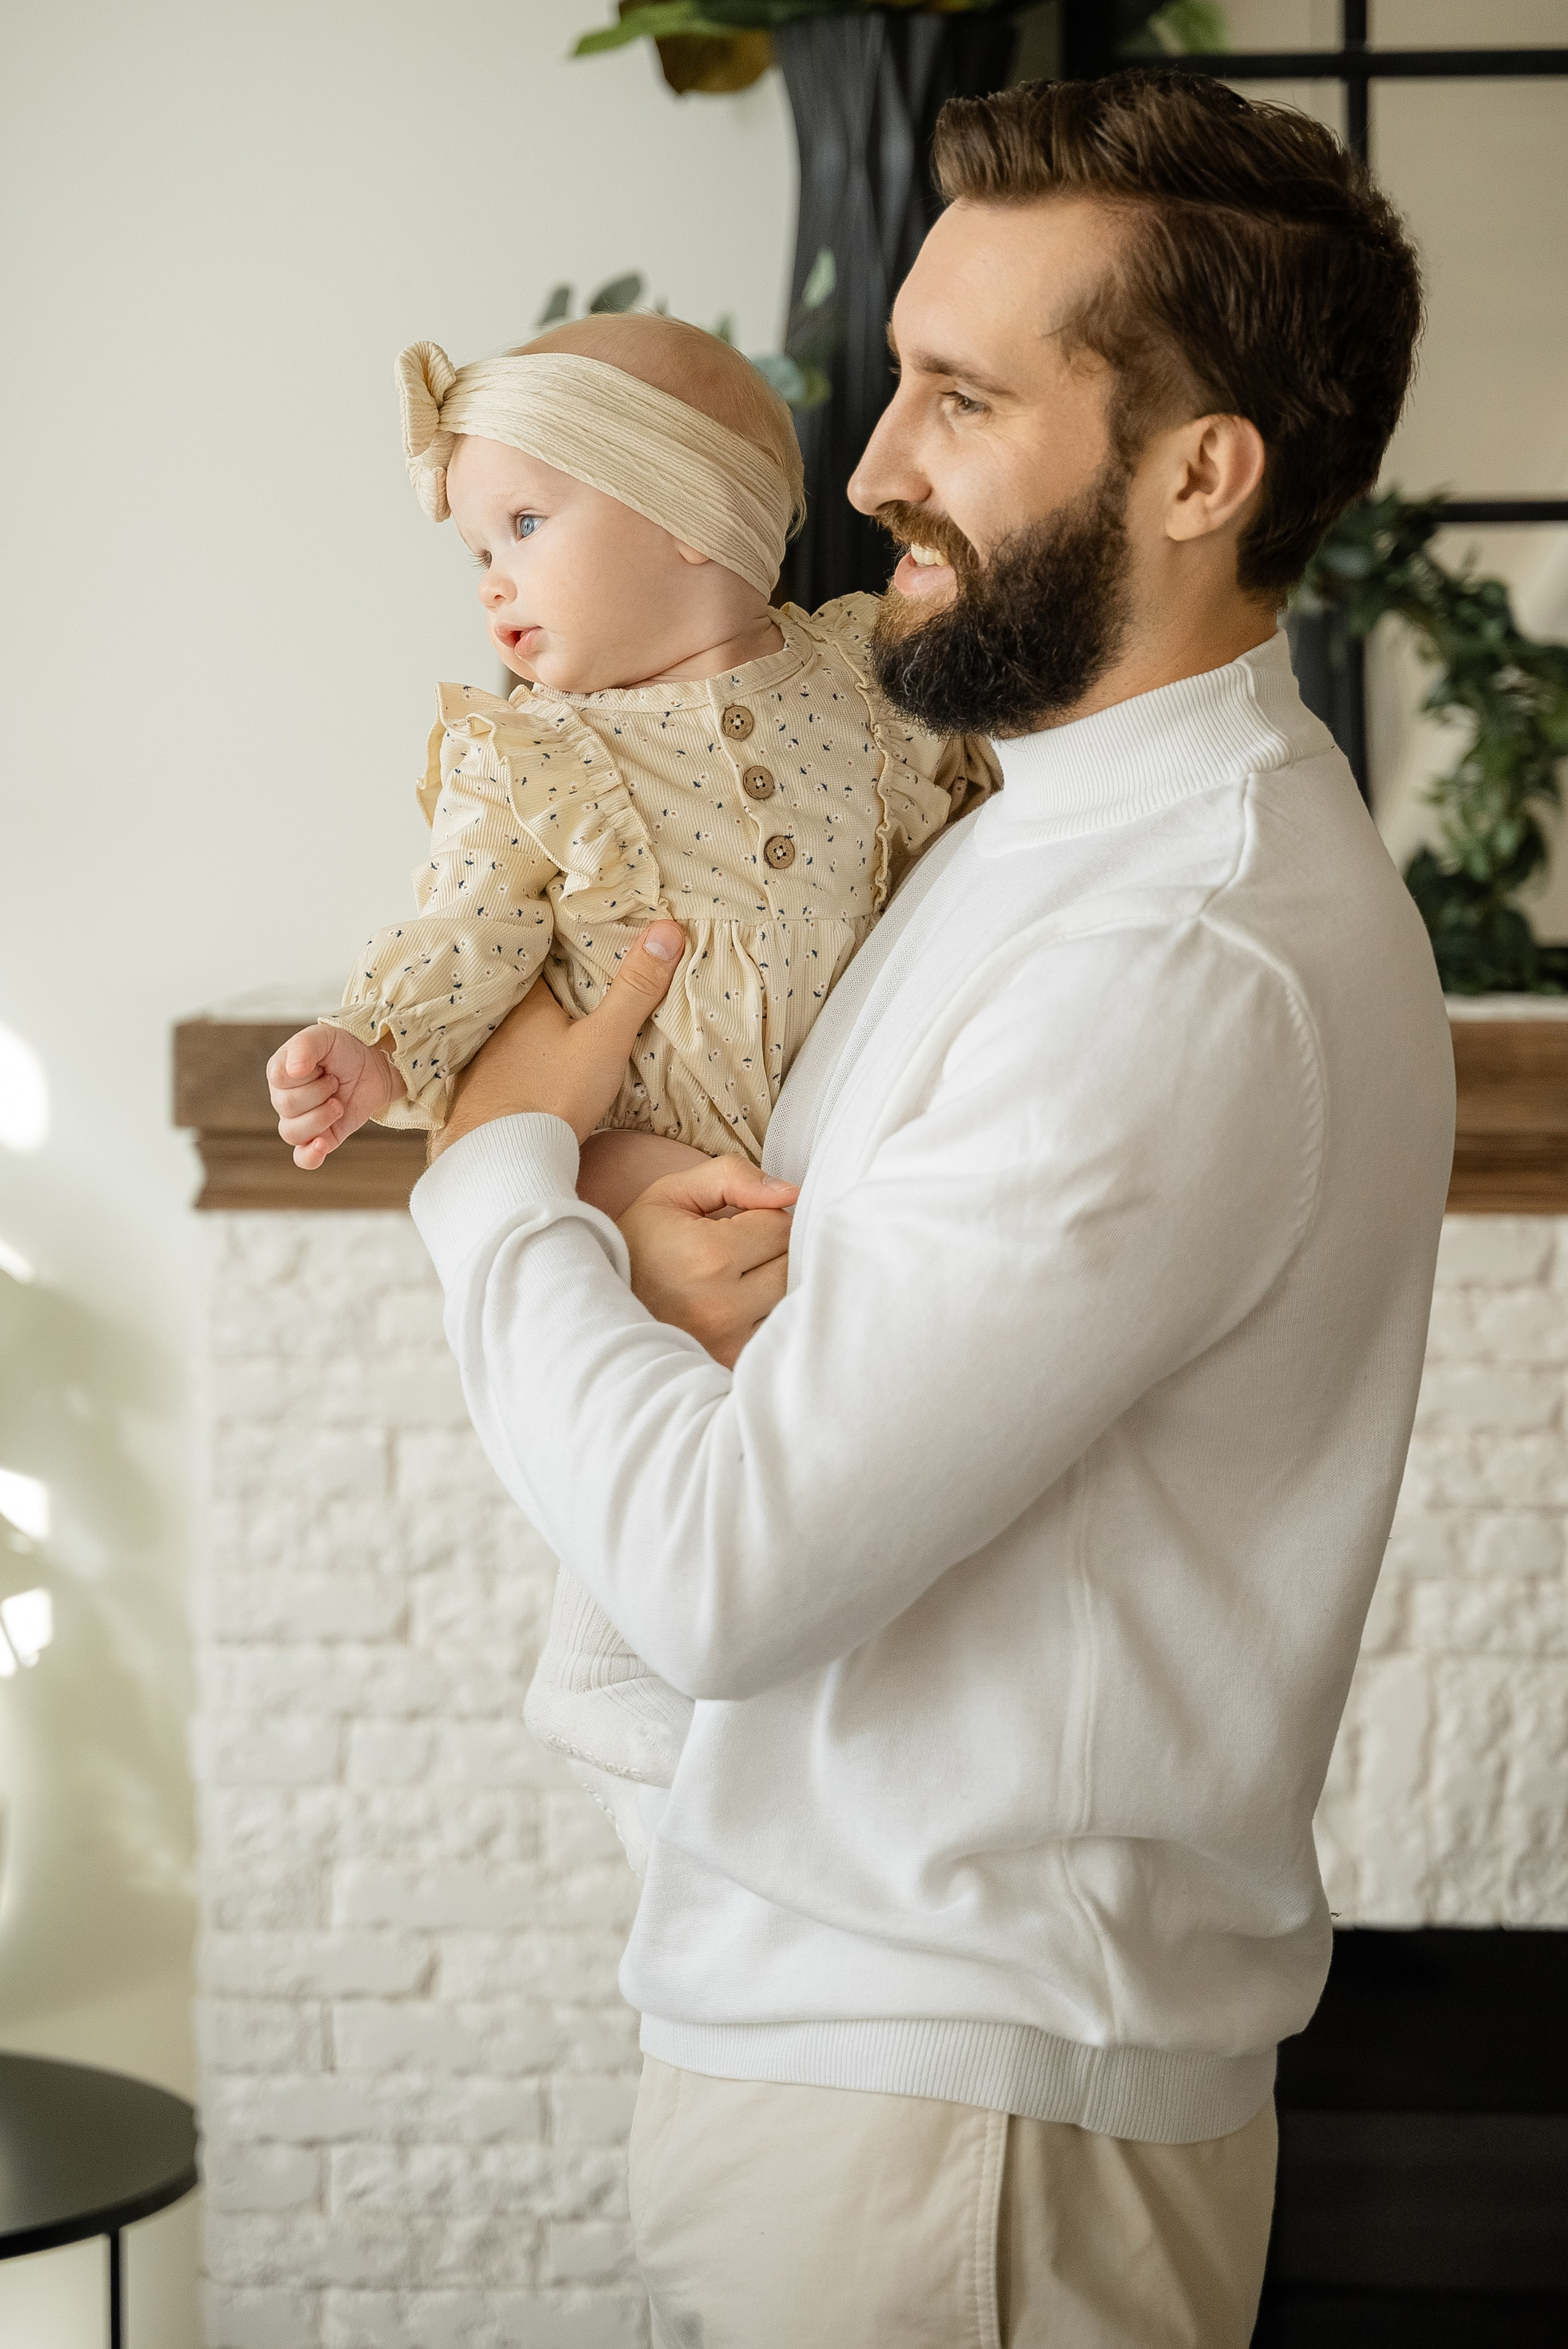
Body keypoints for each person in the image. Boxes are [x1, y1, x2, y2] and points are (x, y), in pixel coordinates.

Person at [408, 72, 1453, 2348]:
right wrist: (622, 1215)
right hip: (896, 2097)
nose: (868, 466)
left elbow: (722, 1569)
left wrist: (491, 1180)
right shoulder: (1029, 834)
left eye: (962, 399)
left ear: (1205, 471)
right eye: (900, 376)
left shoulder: (1181, 944)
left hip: (962, 2150)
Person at [265, 314, 995, 1805]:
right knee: (662, 1397)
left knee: (796, 1449)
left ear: (684, 514)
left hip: (836, 1151)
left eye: (525, 523)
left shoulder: (861, 676)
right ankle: (601, 1670)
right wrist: (367, 1038)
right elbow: (461, 930)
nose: (491, 577)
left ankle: (747, 1723)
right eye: (478, 543)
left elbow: (977, 797)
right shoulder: (533, 755)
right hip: (651, 1140)